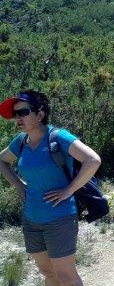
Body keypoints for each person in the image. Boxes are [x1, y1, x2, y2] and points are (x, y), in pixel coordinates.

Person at [0, 90, 101, 286]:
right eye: (15, 114)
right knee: (48, 273)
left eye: (23, 112)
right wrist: (19, 186)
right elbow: (2, 161)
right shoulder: (21, 141)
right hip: (31, 219)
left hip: (60, 218)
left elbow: (93, 160)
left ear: (39, 114)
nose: (17, 118)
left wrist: (68, 190)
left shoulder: (58, 137)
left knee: (66, 277)